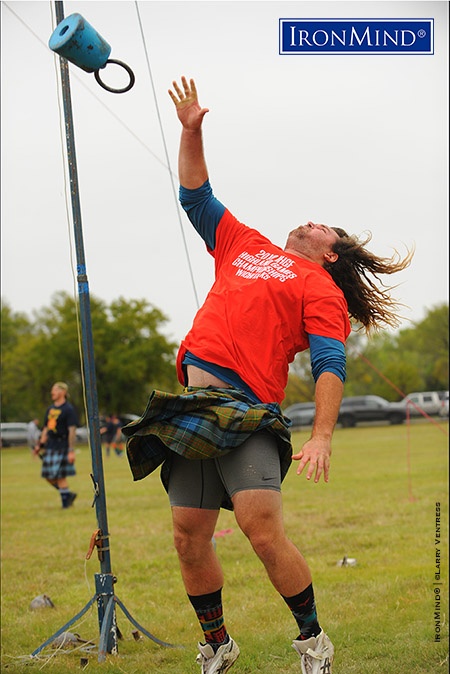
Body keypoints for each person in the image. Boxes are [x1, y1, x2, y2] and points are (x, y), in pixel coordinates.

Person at [123, 77, 413, 674]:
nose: (311, 221)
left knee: (260, 531)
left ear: (330, 253)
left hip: (246, 412)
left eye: (324, 226)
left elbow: (329, 364)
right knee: (187, 536)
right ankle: (218, 645)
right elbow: (196, 197)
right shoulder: (244, 242)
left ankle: (312, 644)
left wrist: (324, 435)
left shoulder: (320, 289)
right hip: (193, 405)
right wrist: (191, 130)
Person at [34, 382, 78, 509]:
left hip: (62, 444)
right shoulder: (50, 409)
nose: (52, 392)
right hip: (50, 445)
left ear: (63, 392)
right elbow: (46, 428)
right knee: (48, 477)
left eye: (55, 390)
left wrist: (71, 450)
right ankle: (68, 494)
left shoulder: (68, 409)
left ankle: (66, 504)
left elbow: (72, 430)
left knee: (60, 476)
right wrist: (40, 444)